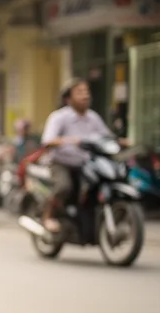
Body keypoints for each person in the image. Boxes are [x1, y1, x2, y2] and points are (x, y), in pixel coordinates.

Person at [39, 79, 114, 233]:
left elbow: (106, 136)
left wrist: (120, 141)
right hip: (61, 162)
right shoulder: (59, 117)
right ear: (68, 98)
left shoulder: (93, 117)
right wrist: (62, 141)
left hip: (85, 164)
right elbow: (47, 141)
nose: (85, 95)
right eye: (79, 92)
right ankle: (48, 216)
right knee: (64, 187)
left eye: (86, 91)